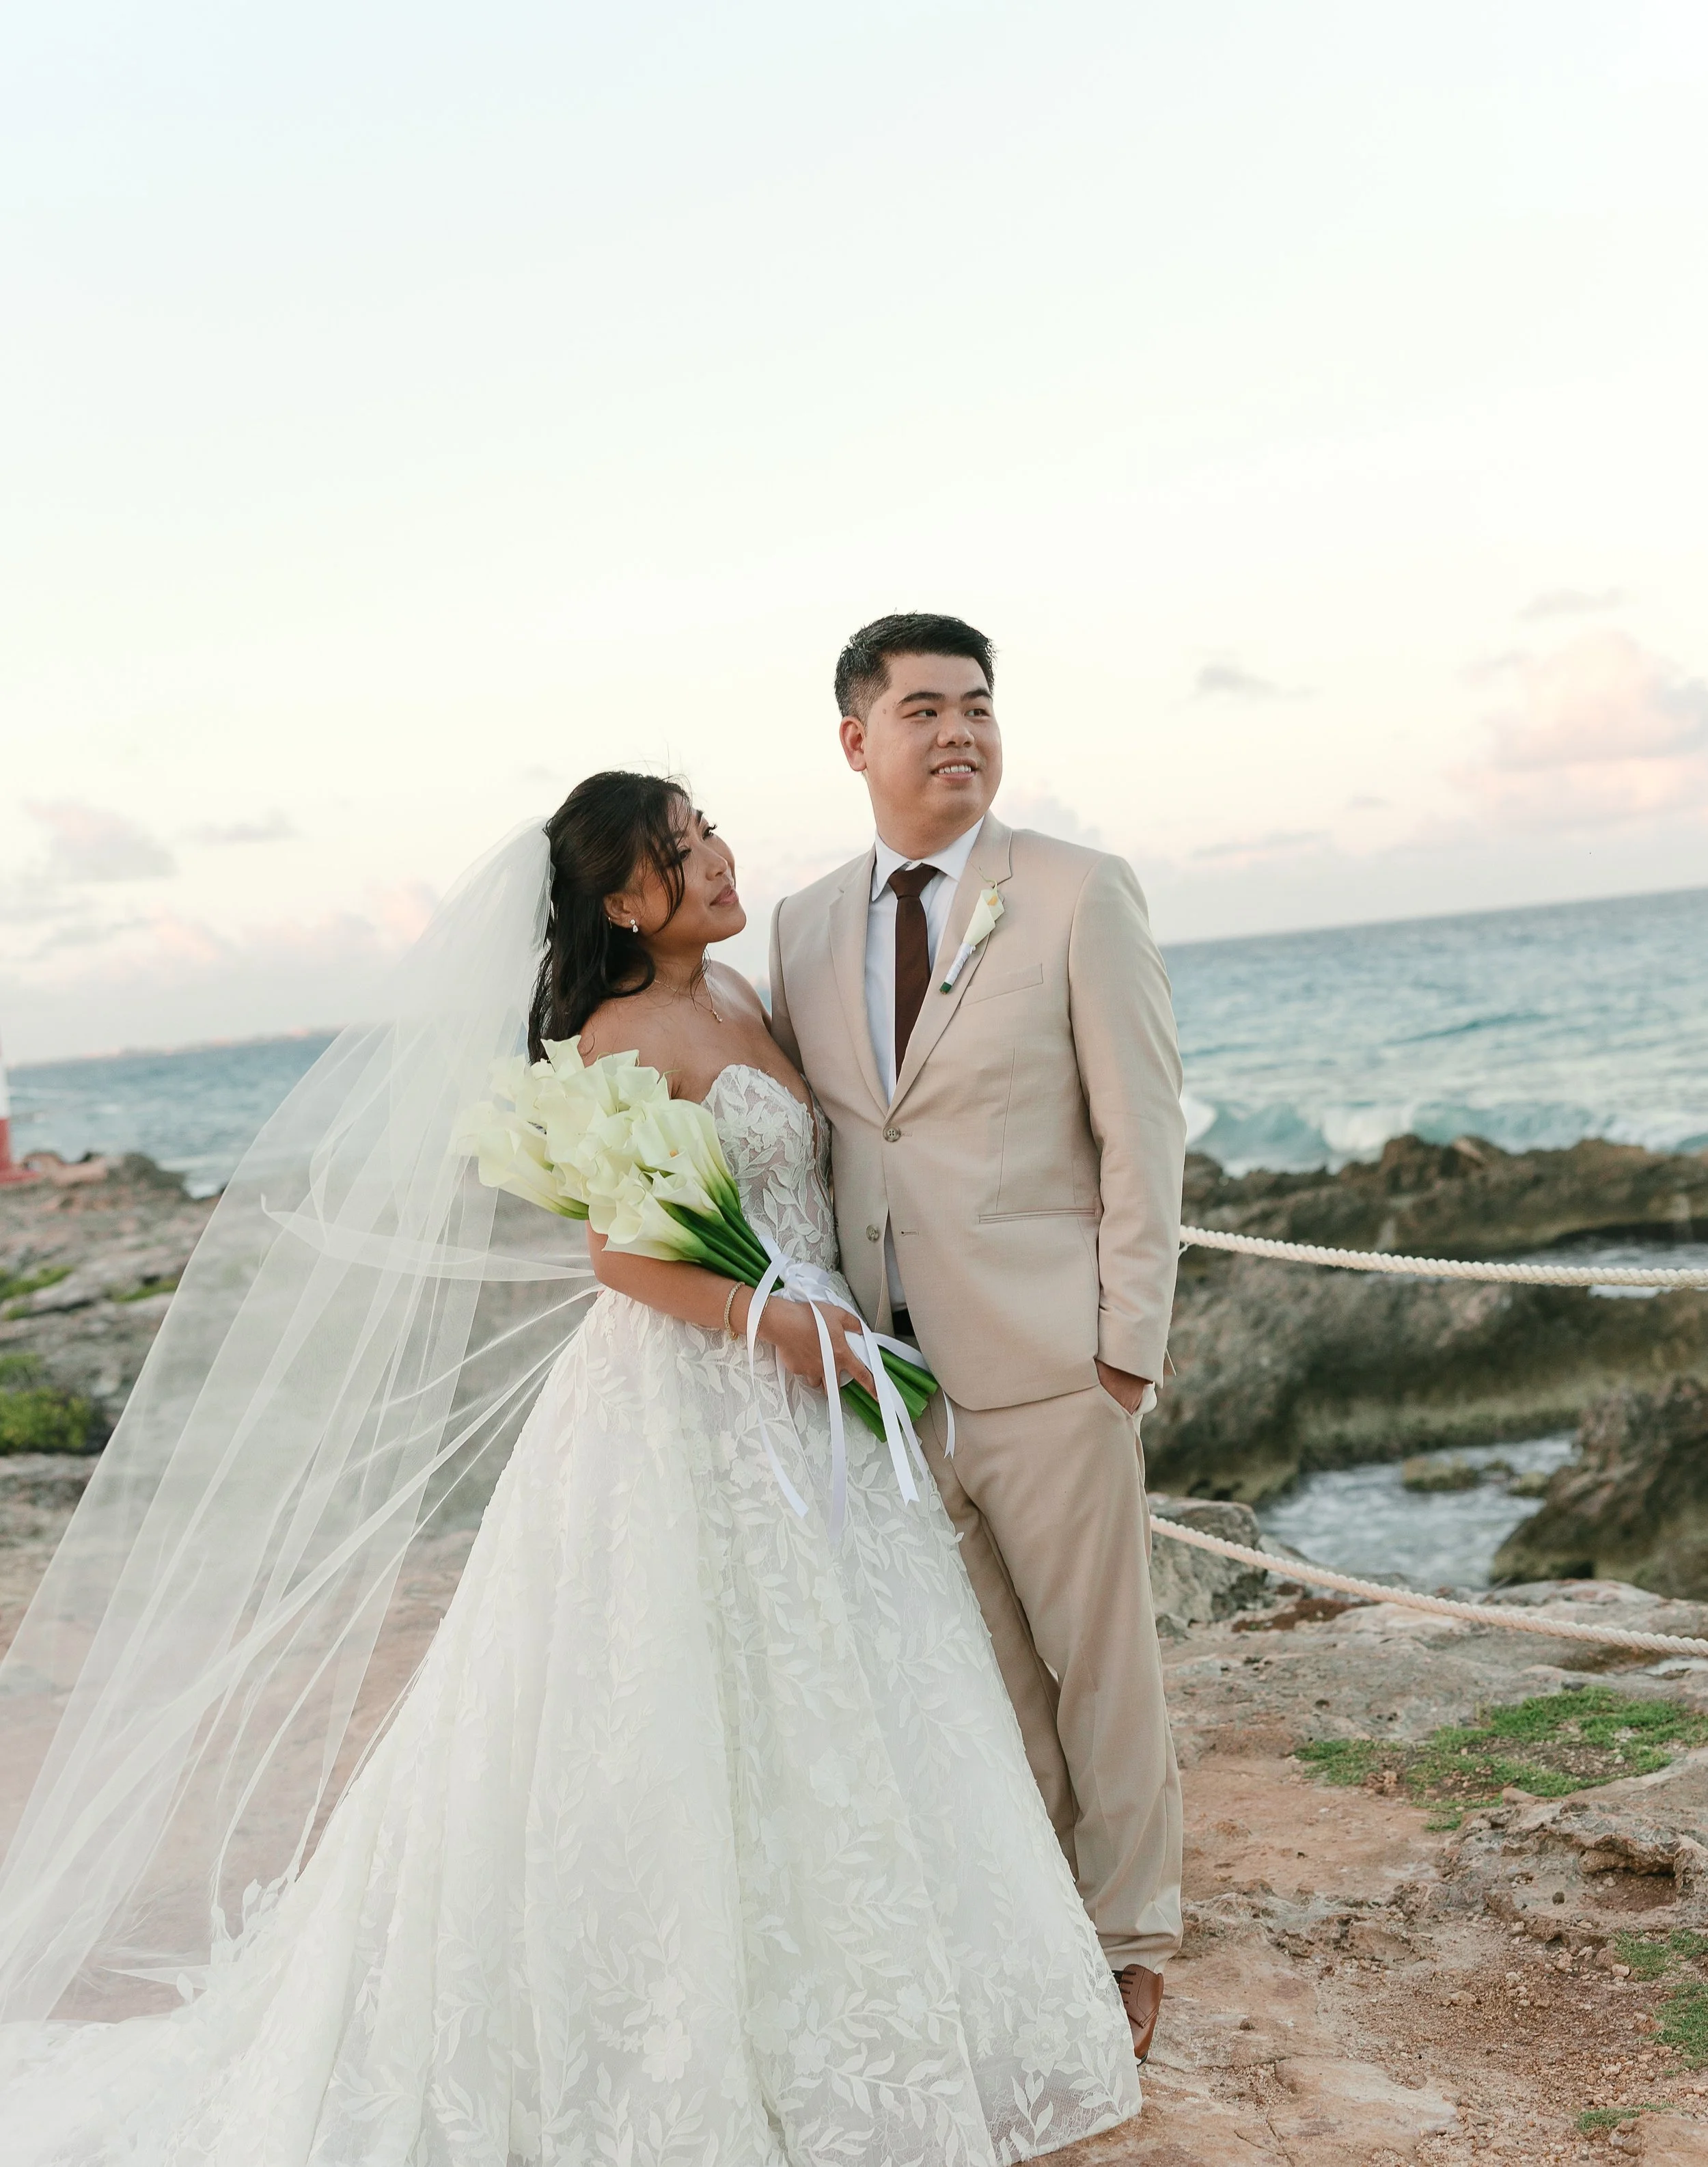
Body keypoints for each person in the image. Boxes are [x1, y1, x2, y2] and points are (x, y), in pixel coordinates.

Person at [0, 774, 1140, 2164]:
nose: (719, 859)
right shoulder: (611, 1036)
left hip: (810, 1392)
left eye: (711, 831)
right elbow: (618, 1256)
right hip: (691, 1402)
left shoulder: (743, 995)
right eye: (681, 851)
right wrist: (773, 1322)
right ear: (618, 900)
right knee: (665, 1704)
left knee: (836, 1699)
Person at [768, 614, 1187, 2060]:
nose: (958, 732)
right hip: (889, 1382)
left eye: (978, 707)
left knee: (1100, 1667)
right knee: (983, 1682)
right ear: (855, 740)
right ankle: (1039, 1932)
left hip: (1051, 1363)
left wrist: (1122, 1345)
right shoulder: (803, 924)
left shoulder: (1073, 891)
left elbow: (1143, 1128)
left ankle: (1131, 1940)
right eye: (925, 709)